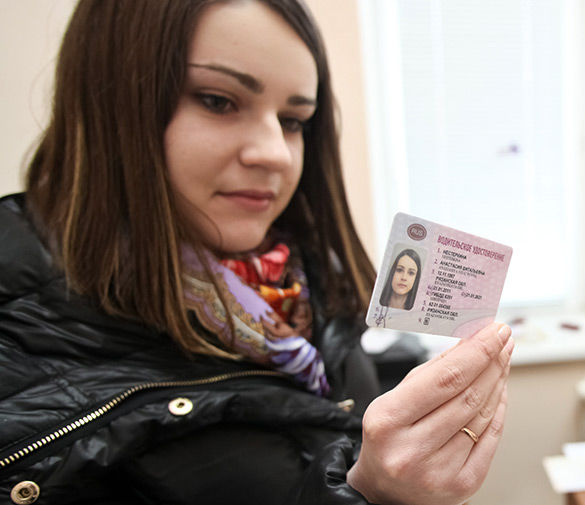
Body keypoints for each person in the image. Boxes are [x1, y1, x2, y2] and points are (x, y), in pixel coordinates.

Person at [0, 1, 513, 504]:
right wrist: (373, 497)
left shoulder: (308, 278)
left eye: (293, 120)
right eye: (218, 101)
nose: (274, 153)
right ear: (109, 100)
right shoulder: (18, 337)